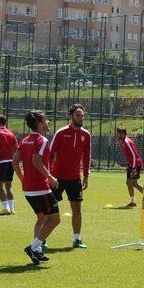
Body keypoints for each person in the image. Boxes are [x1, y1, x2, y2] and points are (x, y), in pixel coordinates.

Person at [12, 110, 60, 265]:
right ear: (39, 124)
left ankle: (37, 251)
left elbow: (15, 161)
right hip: (41, 187)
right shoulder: (42, 140)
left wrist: (22, 179)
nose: (48, 123)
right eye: (46, 120)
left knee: (42, 218)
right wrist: (50, 177)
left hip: (28, 188)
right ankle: (33, 247)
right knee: (55, 219)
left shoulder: (25, 140)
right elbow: (36, 161)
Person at [49, 104, 91, 249]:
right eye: (78, 115)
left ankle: (77, 239)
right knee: (49, 209)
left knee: (77, 209)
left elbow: (87, 157)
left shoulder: (86, 135)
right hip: (57, 178)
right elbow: (49, 154)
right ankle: (42, 240)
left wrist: (86, 176)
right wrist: (48, 175)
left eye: (82, 115)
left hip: (75, 178)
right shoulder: (61, 133)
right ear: (71, 116)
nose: (81, 118)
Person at [116, 127, 144, 208]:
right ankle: (134, 201)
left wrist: (133, 168)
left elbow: (133, 155)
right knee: (131, 183)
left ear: (122, 133)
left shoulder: (127, 142)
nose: (117, 134)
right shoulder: (122, 141)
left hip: (135, 164)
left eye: (118, 133)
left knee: (132, 183)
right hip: (132, 164)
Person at [0, 114, 18, 215]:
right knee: (8, 186)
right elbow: (16, 148)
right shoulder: (11, 133)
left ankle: (6, 208)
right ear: (6, 123)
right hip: (11, 162)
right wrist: (16, 162)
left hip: (1, 162)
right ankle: (12, 209)